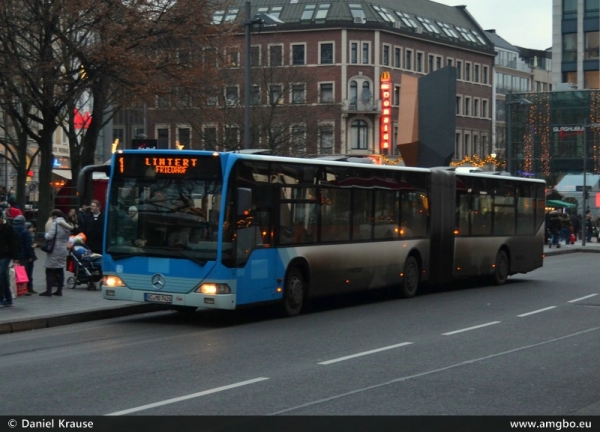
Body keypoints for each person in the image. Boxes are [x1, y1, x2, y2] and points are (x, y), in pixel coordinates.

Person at [39, 210, 73, 297]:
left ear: (54, 216)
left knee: (49, 269)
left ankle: (48, 291)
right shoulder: (67, 224)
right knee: (60, 269)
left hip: (55, 249)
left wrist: (45, 234)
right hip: (63, 248)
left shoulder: (56, 223)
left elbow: (50, 236)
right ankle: (59, 290)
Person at [13, 215, 37, 295]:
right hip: (24, 255)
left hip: (16, 253)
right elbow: (27, 245)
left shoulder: (12, 229)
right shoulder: (25, 231)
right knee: (26, 272)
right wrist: (30, 255)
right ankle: (25, 288)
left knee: (18, 271)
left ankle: (18, 288)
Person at [0, 210, 20, 307]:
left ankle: (0, 299)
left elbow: (14, 242)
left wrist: (15, 257)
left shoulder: (8, 227)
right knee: (2, 277)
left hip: (6, 255)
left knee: (0, 275)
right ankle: (8, 298)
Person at [25, 222, 38, 293]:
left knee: (30, 272)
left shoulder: (32, 235)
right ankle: (27, 287)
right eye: (30, 228)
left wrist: (35, 244)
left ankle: (30, 286)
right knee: (27, 271)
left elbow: (34, 242)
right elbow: (27, 246)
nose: (32, 229)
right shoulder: (27, 235)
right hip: (29, 255)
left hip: (31, 255)